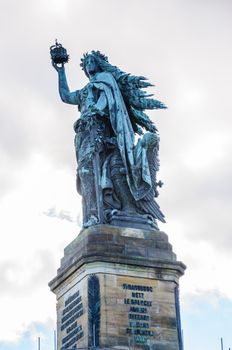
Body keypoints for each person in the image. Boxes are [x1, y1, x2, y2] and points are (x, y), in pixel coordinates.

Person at [52, 50, 166, 229]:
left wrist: (96, 110)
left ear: (99, 63)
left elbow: (107, 98)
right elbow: (66, 96)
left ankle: (97, 216)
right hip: (84, 132)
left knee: (92, 171)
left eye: (92, 61)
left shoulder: (105, 79)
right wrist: (61, 73)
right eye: (86, 62)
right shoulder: (85, 91)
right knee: (85, 172)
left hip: (100, 131)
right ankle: (93, 216)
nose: (89, 64)